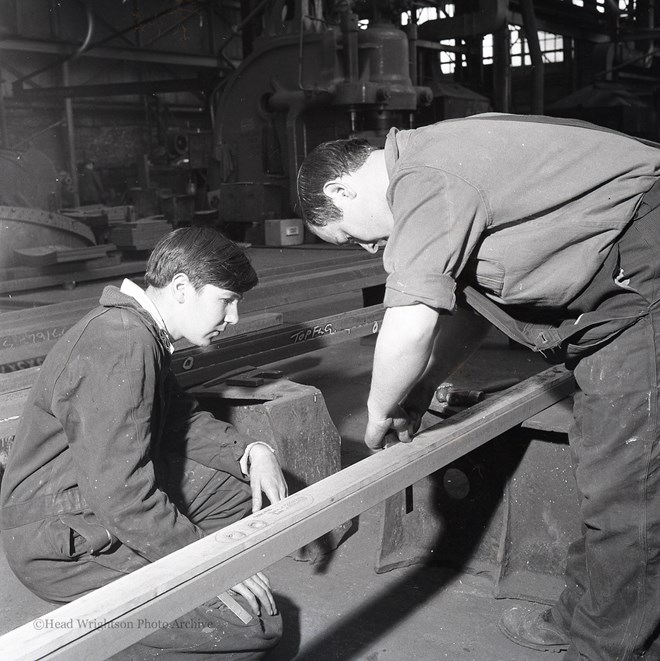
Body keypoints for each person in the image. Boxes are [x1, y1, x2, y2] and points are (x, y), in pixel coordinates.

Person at [296, 113, 660, 661]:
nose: (366, 249)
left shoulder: (425, 177)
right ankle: (585, 613)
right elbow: (470, 312)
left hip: (644, 280)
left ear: (342, 189)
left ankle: (606, 647)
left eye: (348, 234)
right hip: (617, 294)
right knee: (605, 463)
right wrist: (423, 388)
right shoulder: (432, 172)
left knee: (628, 483)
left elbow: (412, 316)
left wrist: (377, 412)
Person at [0, 227, 287, 659]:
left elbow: (177, 420)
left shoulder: (137, 330)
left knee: (236, 483)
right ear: (181, 288)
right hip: (60, 542)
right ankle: (120, 628)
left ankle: (158, 586)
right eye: (226, 301)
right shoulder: (122, 342)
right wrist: (207, 565)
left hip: (85, 501)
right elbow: (123, 497)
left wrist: (249, 450)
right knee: (257, 627)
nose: (233, 319)